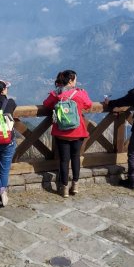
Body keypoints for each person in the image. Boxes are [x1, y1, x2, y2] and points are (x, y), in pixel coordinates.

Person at [43, 70, 92, 198]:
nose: (76, 82)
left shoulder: (56, 94)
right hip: (78, 131)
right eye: (75, 79)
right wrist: (83, 92)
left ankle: (64, 188)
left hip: (61, 132)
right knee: (75, 157)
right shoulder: (79, 94)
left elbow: (46, 104)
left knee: (64, 160)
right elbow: (89, 104)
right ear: (70, 81)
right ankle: (75, 185)